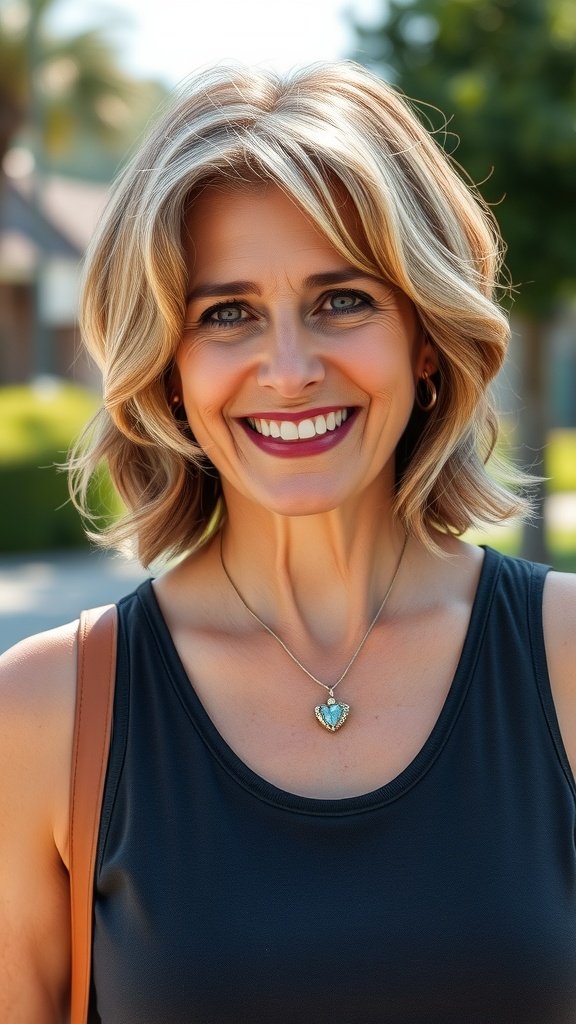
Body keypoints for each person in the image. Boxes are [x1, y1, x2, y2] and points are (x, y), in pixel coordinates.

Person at [1, 59, 575, 1024]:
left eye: (341, 299)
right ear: (168, 368)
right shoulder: (45, 713)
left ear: (424, 337)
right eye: (227, 314)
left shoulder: (568, 661)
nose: (291, 369)